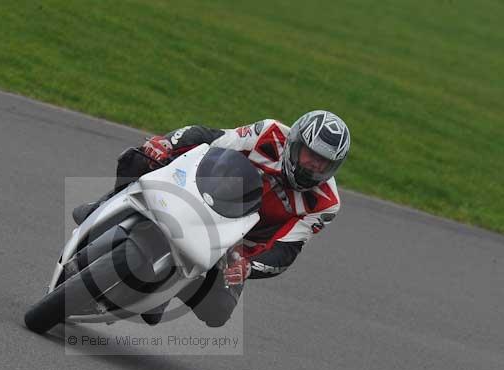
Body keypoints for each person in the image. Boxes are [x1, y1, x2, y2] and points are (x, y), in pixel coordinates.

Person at [73, 110, 351, 327]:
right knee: (139, 158)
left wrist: (248, 266)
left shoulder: (326, 203)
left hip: (237, 245)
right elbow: (211, 137)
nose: (314, 165)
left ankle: (167, 290)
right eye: (310, 154)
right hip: (206, 198)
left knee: (218, 312)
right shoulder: (270, 133)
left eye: (323, 162)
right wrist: (166, 143)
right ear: (295, 142)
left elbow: (287, 249)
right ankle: (104, 205)